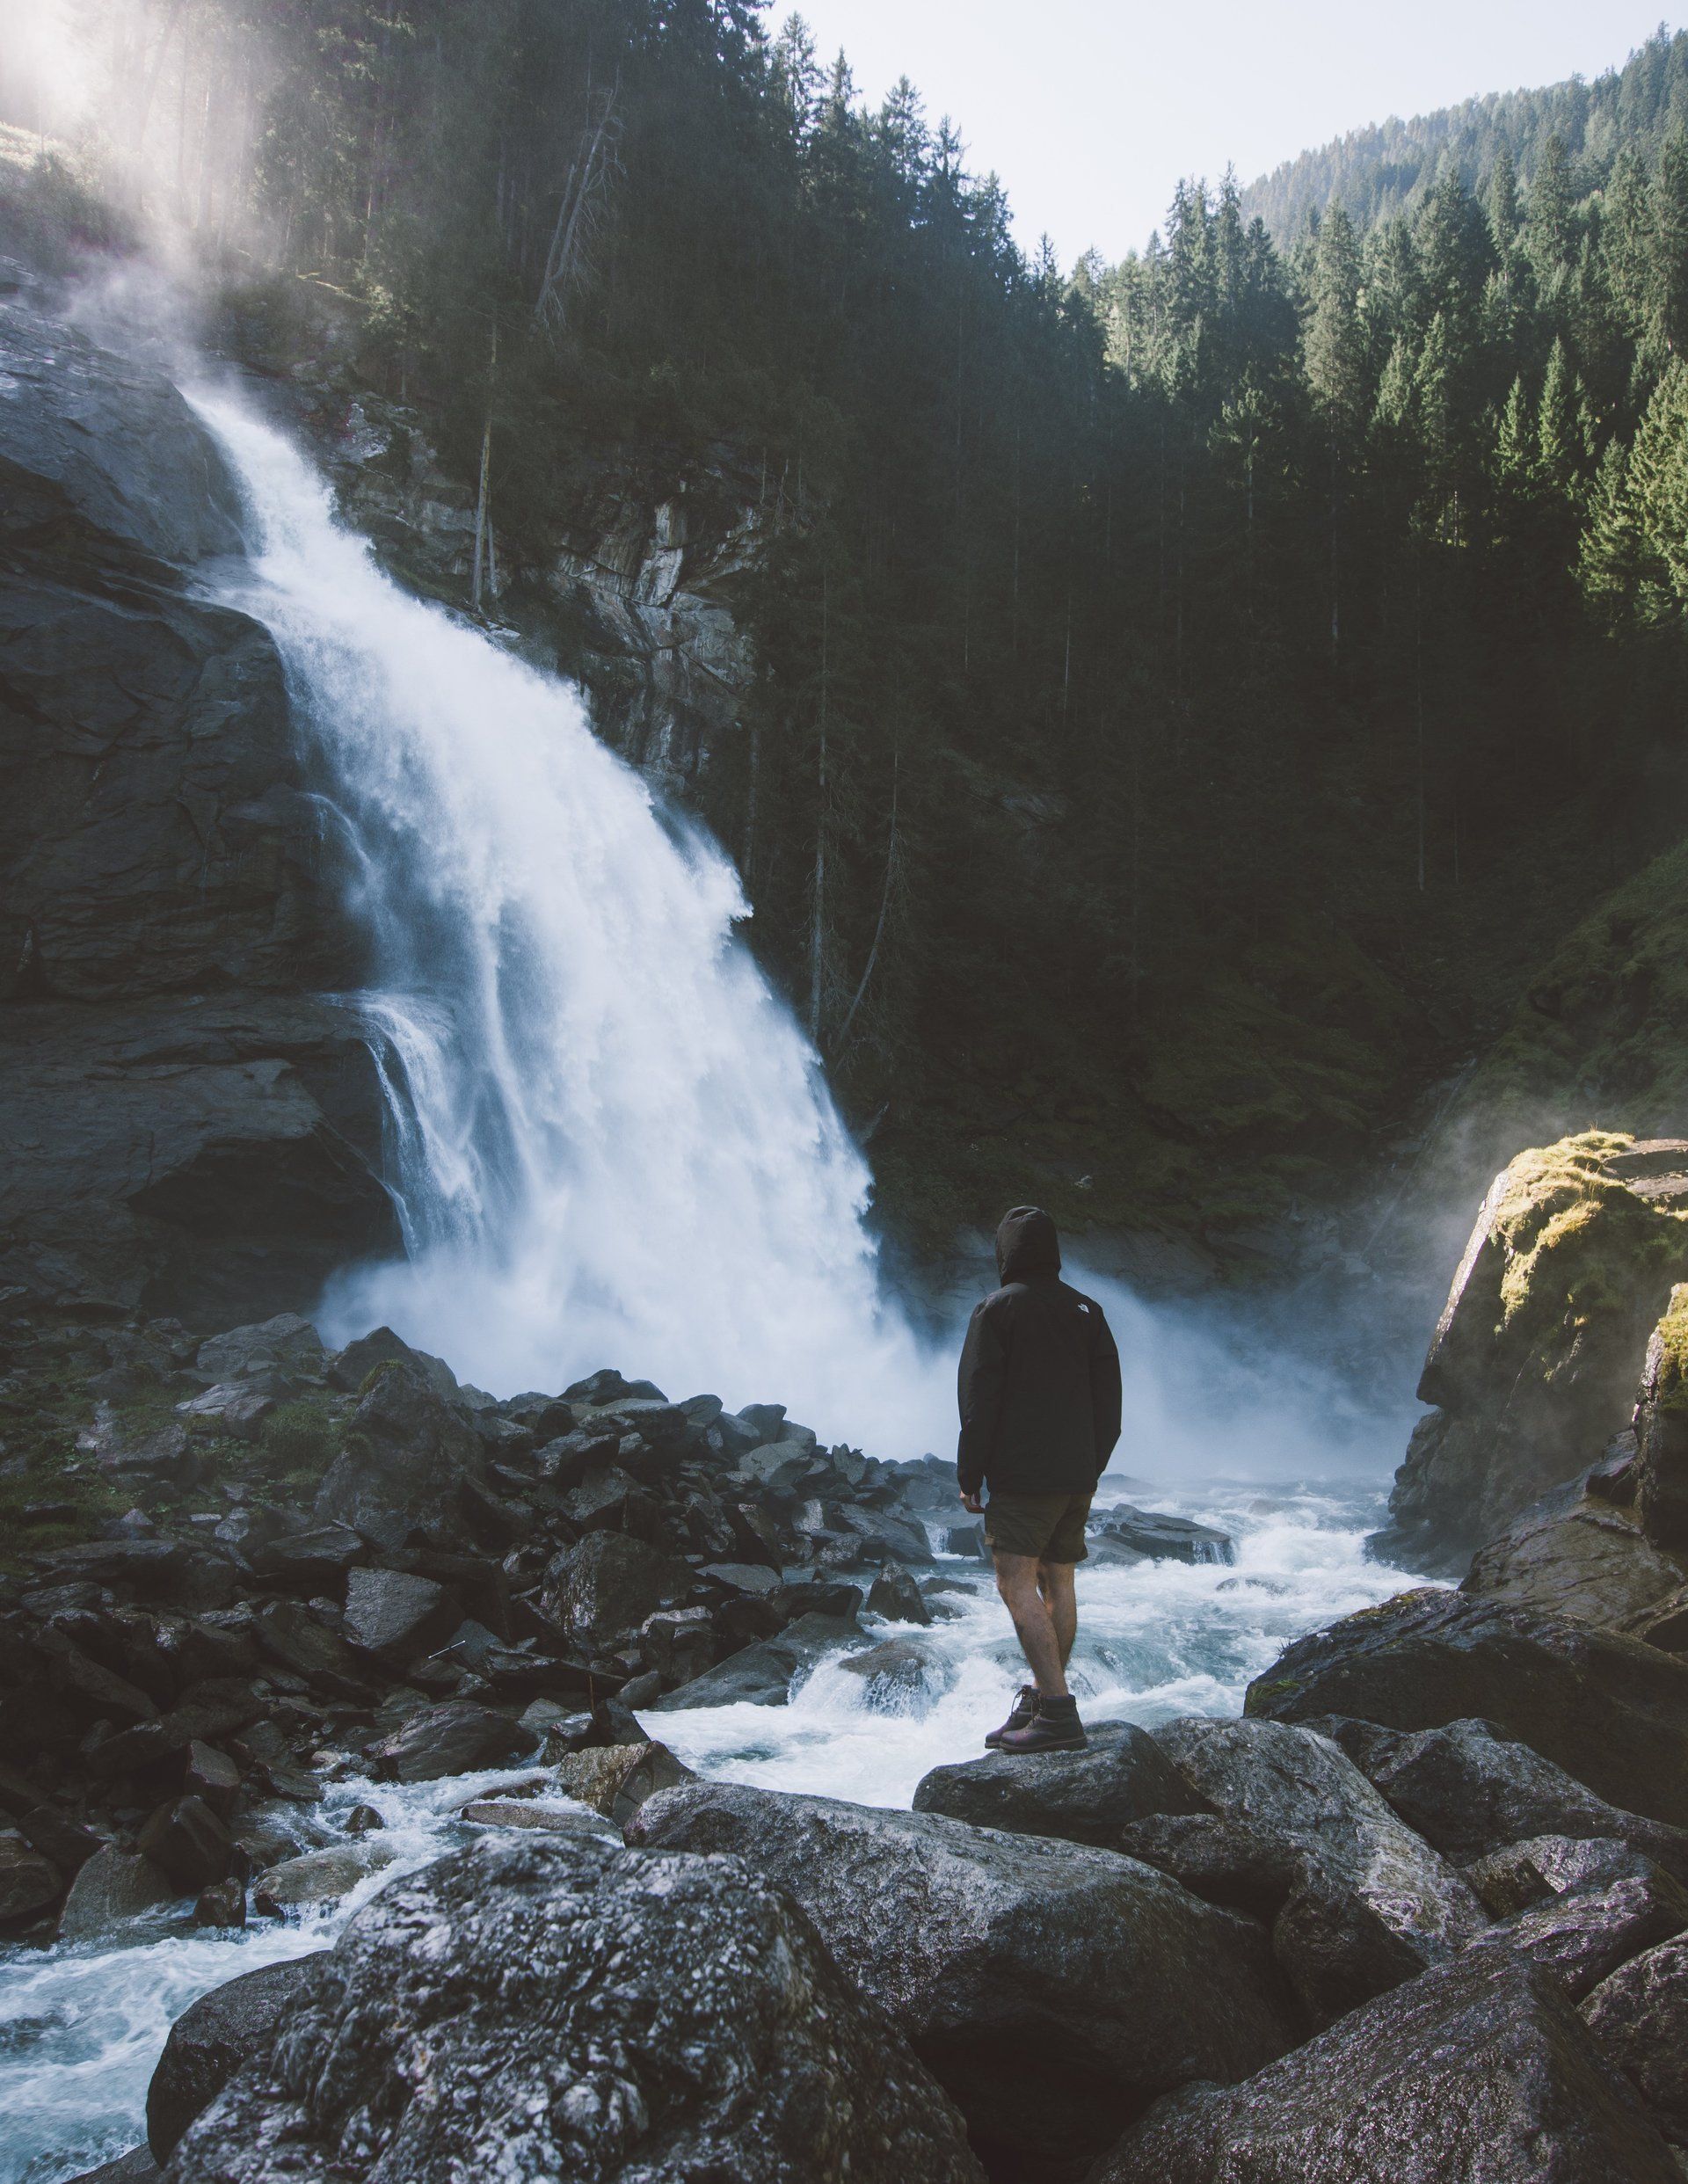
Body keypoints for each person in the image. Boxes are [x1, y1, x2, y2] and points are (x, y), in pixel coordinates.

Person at [957, 1205, 1122, 1752]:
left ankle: (1056, 1712)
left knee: (1014, 1584)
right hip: (1077, 1474)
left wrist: (970, 1472)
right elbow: (1110, 1401)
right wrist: (1091, 1465)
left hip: (1025, 1478)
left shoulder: (997, 1309)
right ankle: (1037, 1698)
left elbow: (980, 1399)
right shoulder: (1087, 1310)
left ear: (1006, 1253)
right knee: (1061, 1582)